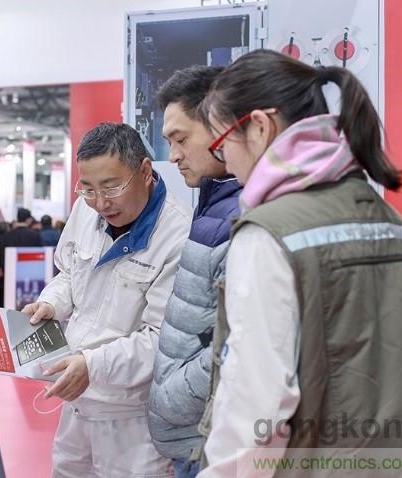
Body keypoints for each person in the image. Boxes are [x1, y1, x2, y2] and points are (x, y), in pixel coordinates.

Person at [197, 49, 402, 478]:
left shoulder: (267, 235)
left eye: (221, 143)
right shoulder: (397, 225)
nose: (225, 162)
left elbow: (256, 404)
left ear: (259, 126)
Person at [23, 122, 191, 477]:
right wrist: (51, 303)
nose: (100, 203)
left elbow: (162, 340)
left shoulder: (178, 236)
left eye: (111, 187)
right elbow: (69, 273)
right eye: (87, 188)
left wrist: (93, 365)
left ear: (145, 171)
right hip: (75, 401)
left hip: (132, 419)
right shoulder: (85, 210)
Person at [147, 65, 241, 478]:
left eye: (181, 139)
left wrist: (172, 396)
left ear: (222, 127)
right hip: (197, 435)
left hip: (215, 440)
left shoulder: (243, 218)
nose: (173, 156)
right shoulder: (212, 204)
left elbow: (238, 344)